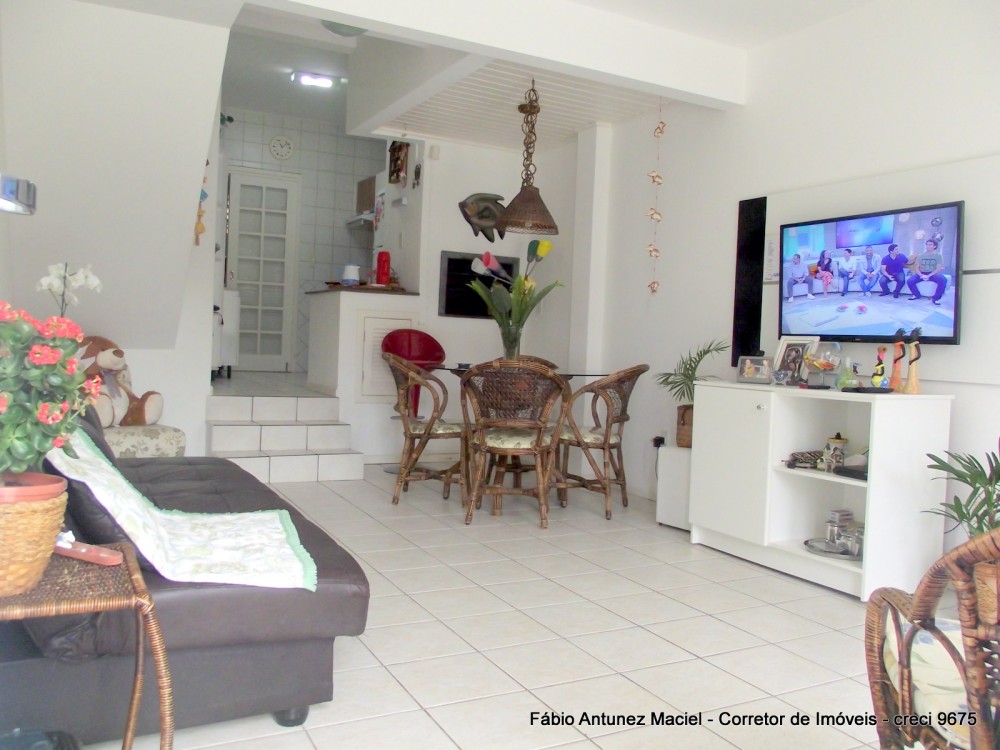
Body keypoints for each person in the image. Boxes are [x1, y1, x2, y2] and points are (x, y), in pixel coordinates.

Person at [906, 238, 947, 306]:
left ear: (934, 246)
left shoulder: (939, 256)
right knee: (910, 281)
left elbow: (938, 269)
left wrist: (928, 276)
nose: (928, 246)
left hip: (933, 273)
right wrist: (921, 275)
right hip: (922, 273)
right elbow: (916, 268)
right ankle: (916, 295)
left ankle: (935, 299)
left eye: (930, 245)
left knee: (943, 280)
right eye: (927, 244)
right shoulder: (921, 256)